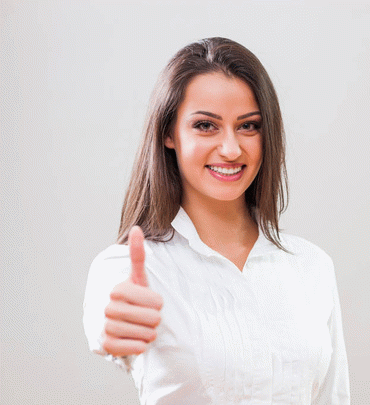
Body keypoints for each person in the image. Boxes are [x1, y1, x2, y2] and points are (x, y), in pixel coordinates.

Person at [82, 37, 350, 404]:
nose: (231, 149)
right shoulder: (130, 268)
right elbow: (108, 319)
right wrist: (112, 328)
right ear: (169, 133)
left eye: (248, 126)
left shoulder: (311, 266)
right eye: (206, 125)